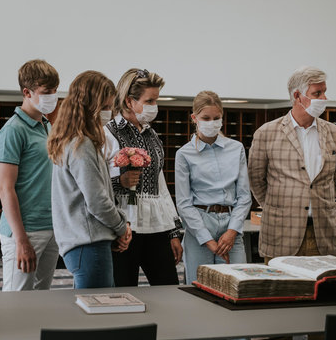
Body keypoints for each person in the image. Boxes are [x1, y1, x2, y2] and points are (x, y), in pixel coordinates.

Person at [248, 66, 336, 263]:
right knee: (281, 291)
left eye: (324, 91)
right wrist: (278, 207)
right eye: (317, 93)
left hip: (323, 233)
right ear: (297, 96)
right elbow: (256, 180)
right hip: (281, 233)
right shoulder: (267, 133)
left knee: (323, 291)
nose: (324, 98)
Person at [48, 70, 131, 289]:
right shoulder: (81, 145)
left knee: (92, 312)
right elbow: (97, 202)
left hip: (86, 241)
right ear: (89, 106)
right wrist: (122, 227)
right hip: (88, 244)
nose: (108, 113)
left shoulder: (73, 141)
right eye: (104, 107)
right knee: (99, 314)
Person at [104, 68, 183, 286]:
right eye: (149, 101)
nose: (154, 106)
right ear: (130, 101)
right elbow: (95, 186)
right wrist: (119, 182)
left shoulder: (153, 135)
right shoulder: (107, 134)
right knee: (122, 292)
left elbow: (161, 185)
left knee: (169, 289)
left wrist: (173, 233)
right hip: (123, 229)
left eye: (156, 100)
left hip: (157, 228)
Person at [175, 90, 252, 284]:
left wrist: (232, 231)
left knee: (235, 284)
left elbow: (244, 196)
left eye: (216, 118)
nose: (212, 122)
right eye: (206, 118)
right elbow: (183, 203)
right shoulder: (184, 154)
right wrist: (207, 240)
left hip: (230, 225)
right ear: (194, 118)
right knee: (200, 286)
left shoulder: (236, 148)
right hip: (199, 225)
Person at [0, 59, 60, 291]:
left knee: (40, 299)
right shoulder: (13, 130)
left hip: (51, 227)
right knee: (16, 300)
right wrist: (21, 240)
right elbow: (5, 188)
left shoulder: (47, 126)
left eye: (54, 90)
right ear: (27, 92)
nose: (52, 96)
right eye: (46, 92)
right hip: (25, 230)